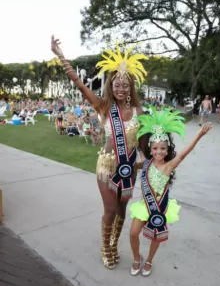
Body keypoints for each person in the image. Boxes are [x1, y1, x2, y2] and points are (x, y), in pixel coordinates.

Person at [51, 36, 148, 269]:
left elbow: (144, 139)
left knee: (123, 210)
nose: (121, 89)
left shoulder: (138, 110)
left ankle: (114, 244)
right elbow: (80, 85)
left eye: (125, 85)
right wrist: (61, 56)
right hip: (107, 166)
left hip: (130, 167)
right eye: (117, 85)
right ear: (110, 87)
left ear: (131, 87)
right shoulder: (104, 106)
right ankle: (106, 247)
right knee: (111, 210)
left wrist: (145, 156)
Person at [129, 107, 212, 276]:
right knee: (133, 233)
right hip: (144, 205)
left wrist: (199, 135)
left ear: (167, 150)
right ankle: (137, 257)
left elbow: (185, 152)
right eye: (155, 148)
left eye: (162, 149)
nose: (159, 152)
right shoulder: (146, 163)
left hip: (159, 207)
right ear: (150, 150)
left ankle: (150, 260)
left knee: (155, 236)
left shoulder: (169, 165)